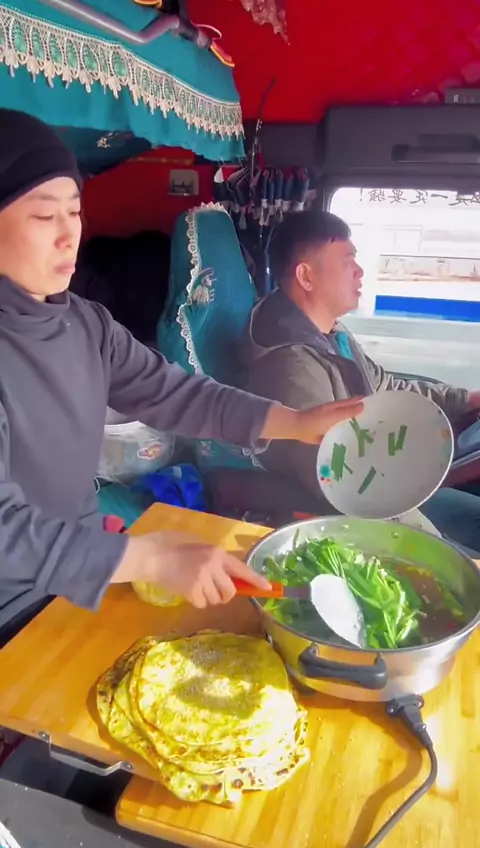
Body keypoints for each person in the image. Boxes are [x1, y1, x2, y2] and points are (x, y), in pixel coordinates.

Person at [0, 109, 364, 643]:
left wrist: (293, 422)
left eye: (74, 211)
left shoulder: (87, 324)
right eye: (43, 216)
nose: (68, 235)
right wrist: (149, 558)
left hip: (80, 574)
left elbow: (175, 394)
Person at [241, 209, 480, 552]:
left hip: (385, 478)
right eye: (347, 261)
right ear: (306, 276)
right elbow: (338, 480)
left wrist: (464, 399)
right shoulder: (289, 363)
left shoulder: (331, 333)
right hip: (364, 508)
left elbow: (384, 386)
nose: (360, 271)